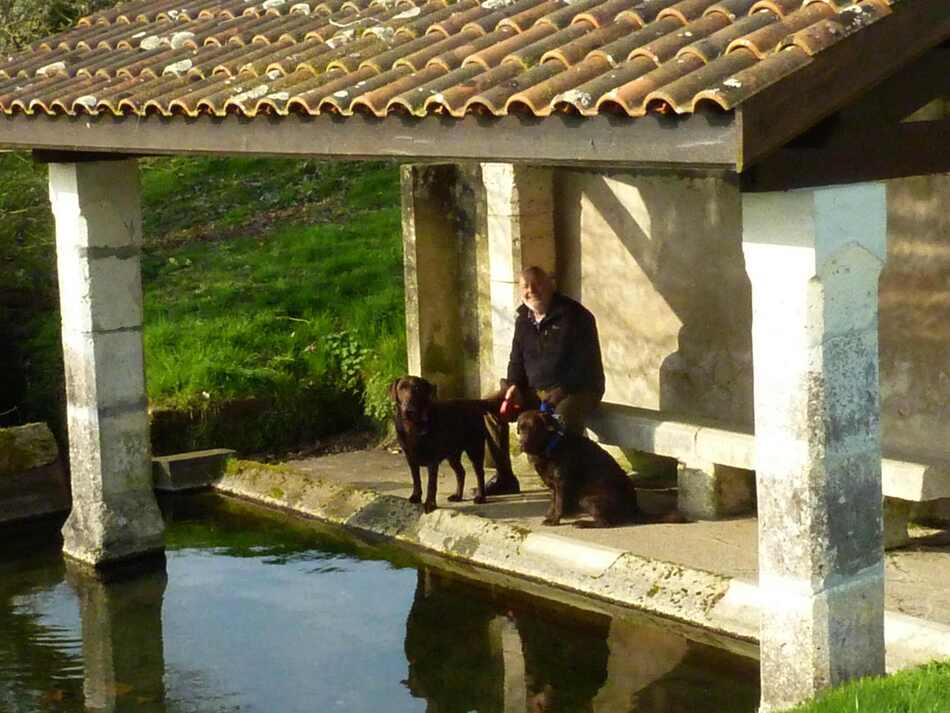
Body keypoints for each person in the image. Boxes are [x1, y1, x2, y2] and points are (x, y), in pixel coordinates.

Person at [484, 266, 605, 496]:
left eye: (537, 284)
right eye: (525, 286)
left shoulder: (576, 317)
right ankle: (504, 477)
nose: (531, 290)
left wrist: (562, 389)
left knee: (561, 419)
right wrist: (513, 387)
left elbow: (585, 365)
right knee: (487, 409)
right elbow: (516, 360)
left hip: (578, 389)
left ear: (551, 284)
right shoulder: (523, 320)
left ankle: (566, 485)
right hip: (536, 389)